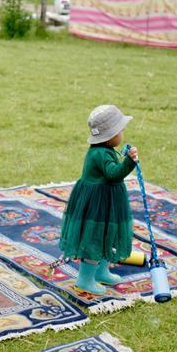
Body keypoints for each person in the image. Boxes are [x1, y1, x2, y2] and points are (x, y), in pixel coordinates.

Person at [58, 105, 138, 294]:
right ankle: (85, 280)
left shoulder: (104, 150)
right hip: (98, 205)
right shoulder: (100, 154)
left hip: (106, 202)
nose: (122, 133)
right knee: (95, 239)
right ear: (110, 136)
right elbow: (113, 174)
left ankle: (101, 272)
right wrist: (128, 162)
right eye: (120, 130)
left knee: (105, 237)